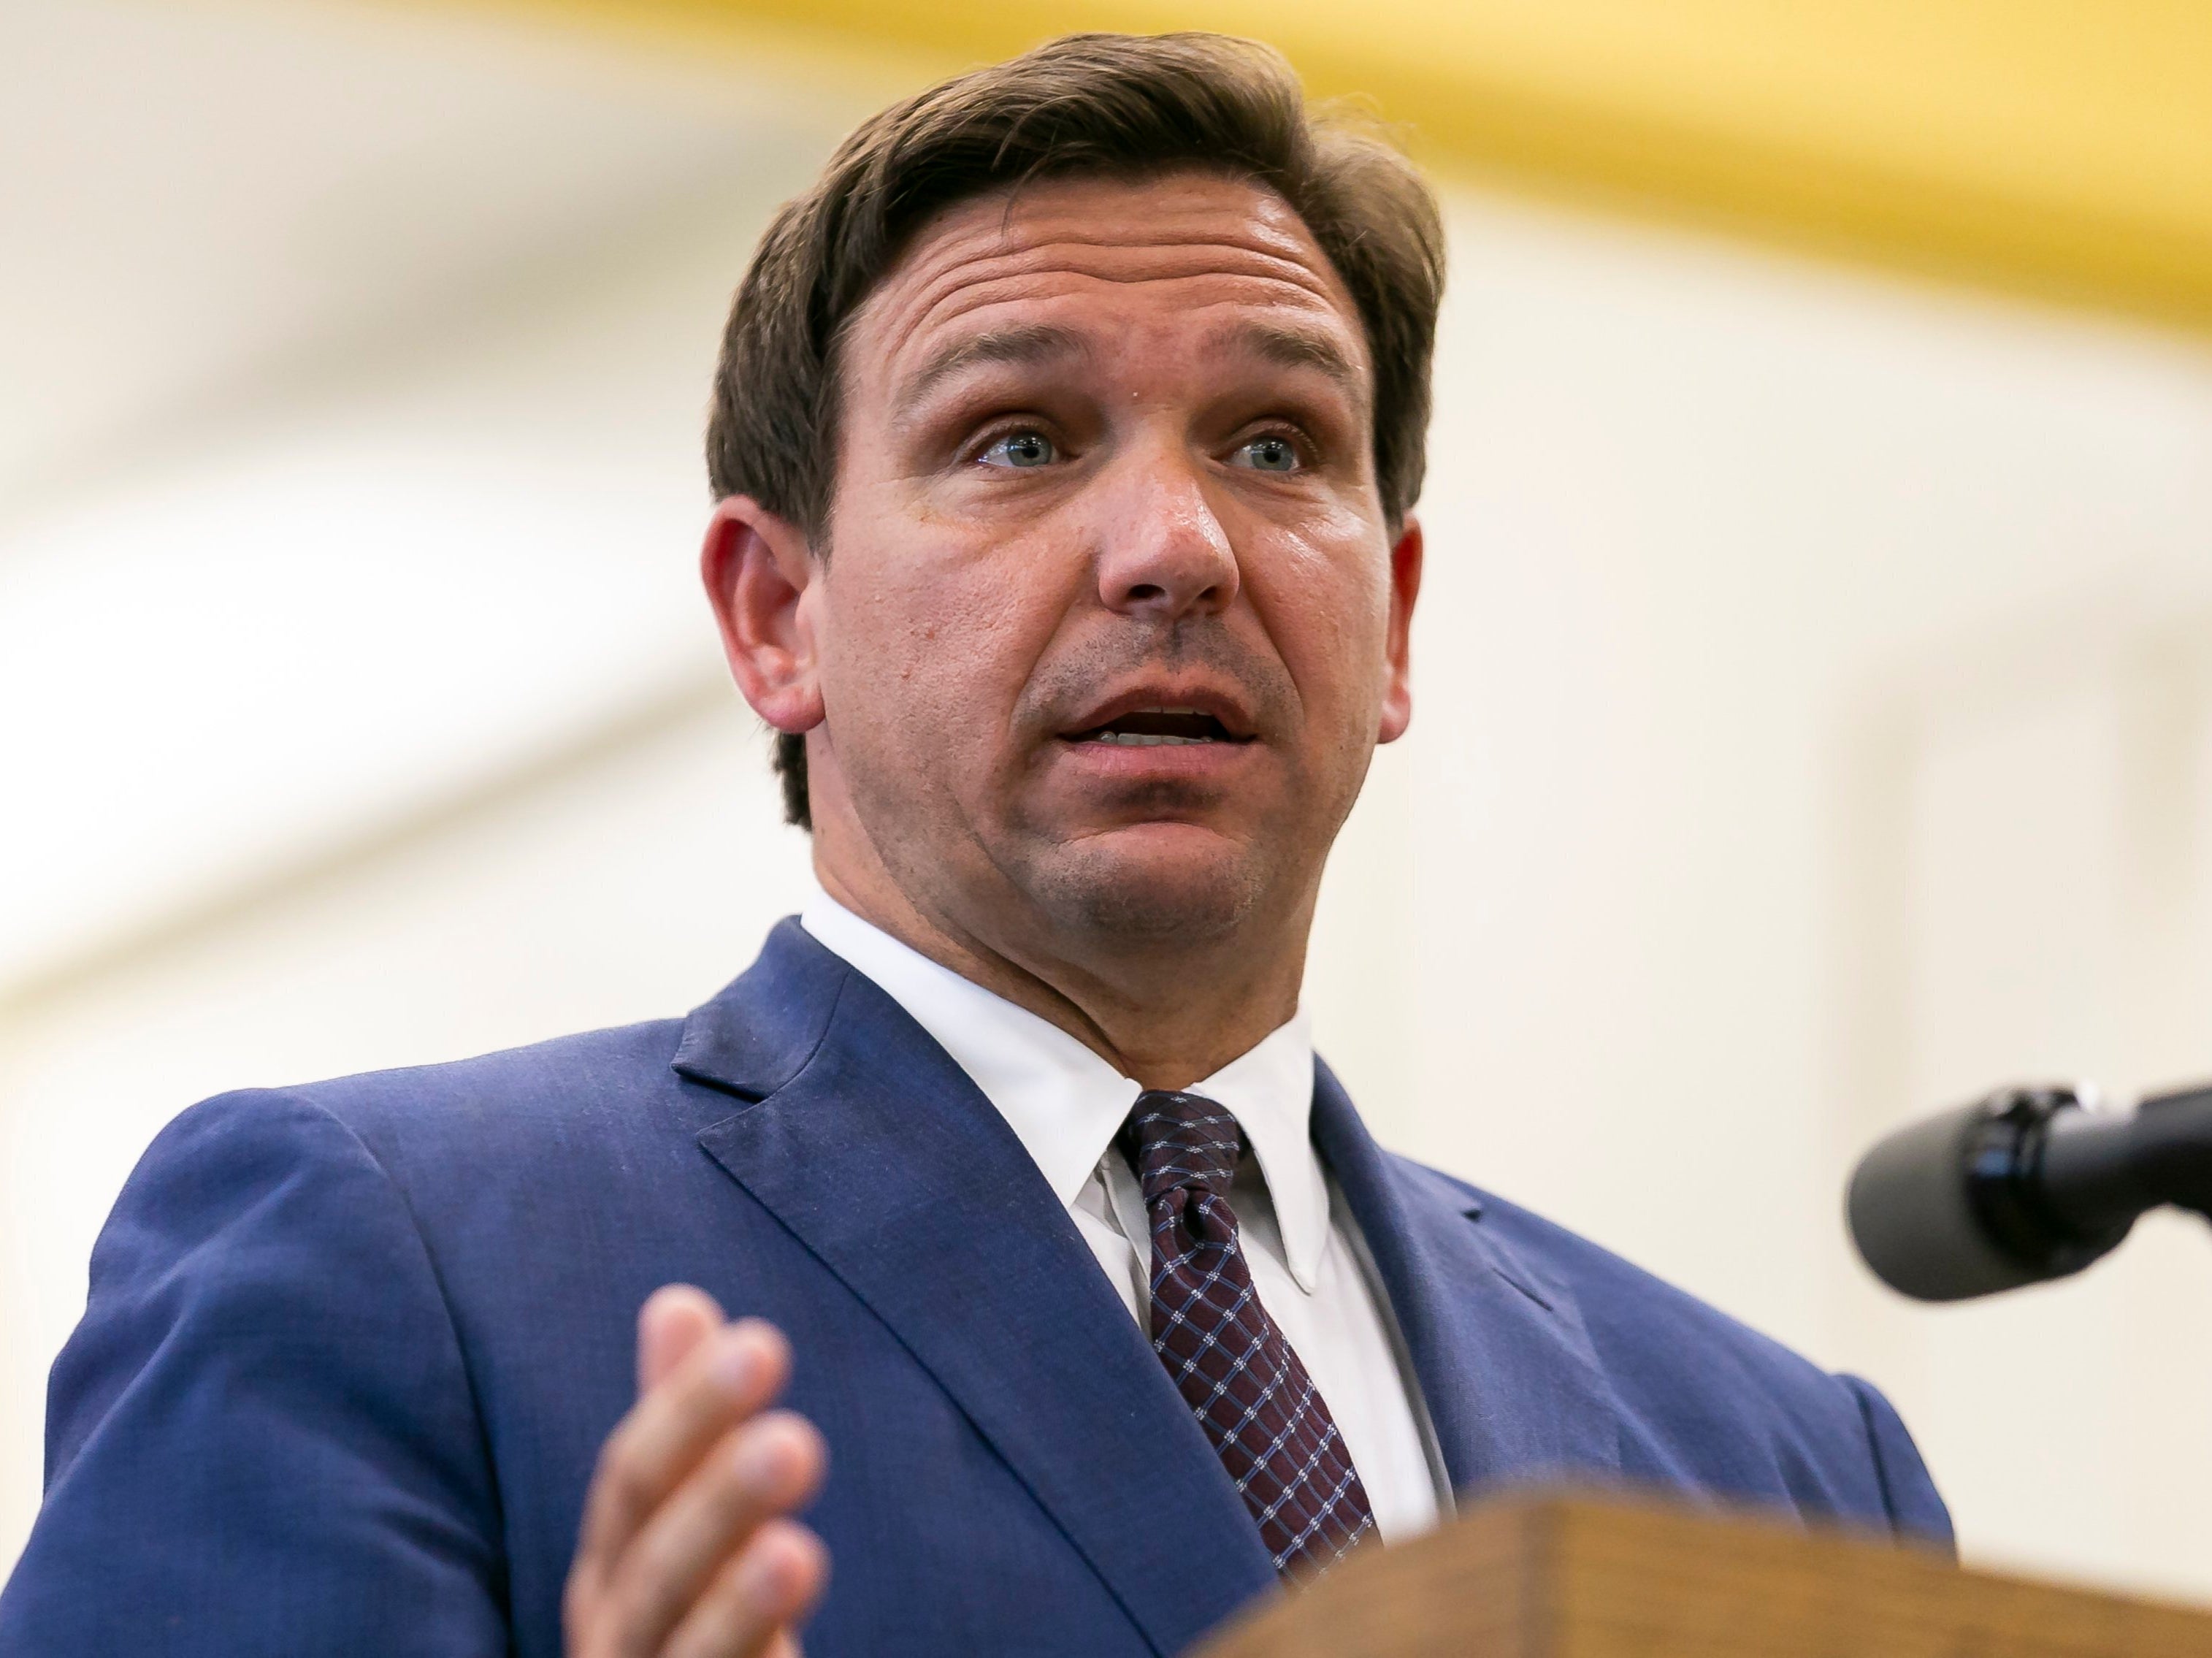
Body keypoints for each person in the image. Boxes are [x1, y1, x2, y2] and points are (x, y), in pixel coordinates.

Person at [0, 32, 1948, 1658]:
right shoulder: (379, 1258)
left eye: (1277, 445)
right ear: (780, 617)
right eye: (1018, 439)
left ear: (1399, 621)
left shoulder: (1775, 1468)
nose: (1179, 549)